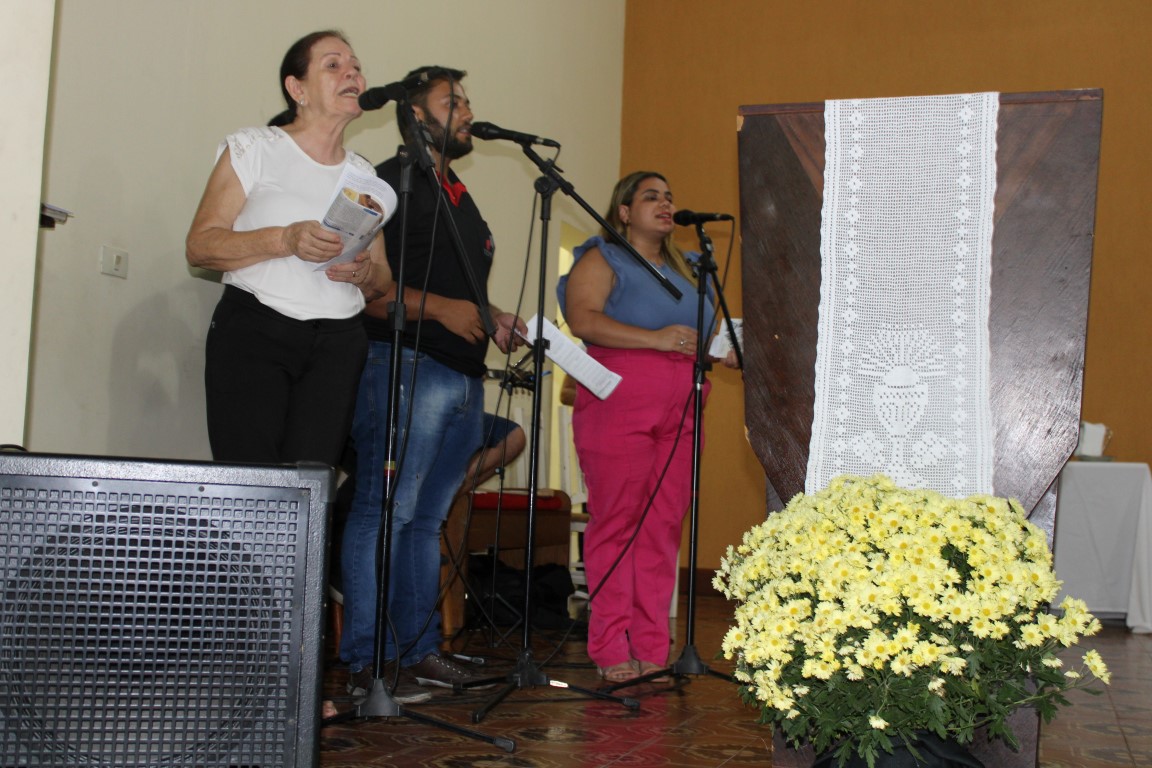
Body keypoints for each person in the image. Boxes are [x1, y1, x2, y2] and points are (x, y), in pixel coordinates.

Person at [340, 66, 526, 700]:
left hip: (465, 378)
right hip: (404, 367)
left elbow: (450, 284)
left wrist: (491, 315)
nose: (468, 111)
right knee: (384, 512)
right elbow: (361, 286)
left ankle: (418, 653)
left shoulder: (459, 196)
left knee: (425, 521)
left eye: (468, 101)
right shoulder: (388, 185)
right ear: (416, 115)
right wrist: (444, 310)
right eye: (453, 102)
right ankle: (366, 661)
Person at [557, 171, 736, 684]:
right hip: (620, 401)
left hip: (684, 407)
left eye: (669, 196)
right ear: (624, 211)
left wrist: (724, 350)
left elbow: (702, 336)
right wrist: (655, 340)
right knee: (617, 522)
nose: (665, 203)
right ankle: (611, 645)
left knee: (662, 528)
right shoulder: (603, 257)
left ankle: (653, 646)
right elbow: (584, 320)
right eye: (651, 196)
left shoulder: (692, 268)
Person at [186, 30, 393, 468]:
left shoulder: (364, 175)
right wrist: (285, 239)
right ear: (297, 88)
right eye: (333, 65)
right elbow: (200, 246)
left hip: (338, 344)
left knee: (310, 488)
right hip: (256, 330)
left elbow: (382, 279)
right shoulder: (255, 148)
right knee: (250, 484)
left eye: (356, 67)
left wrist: (364, 274)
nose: (352, 74)